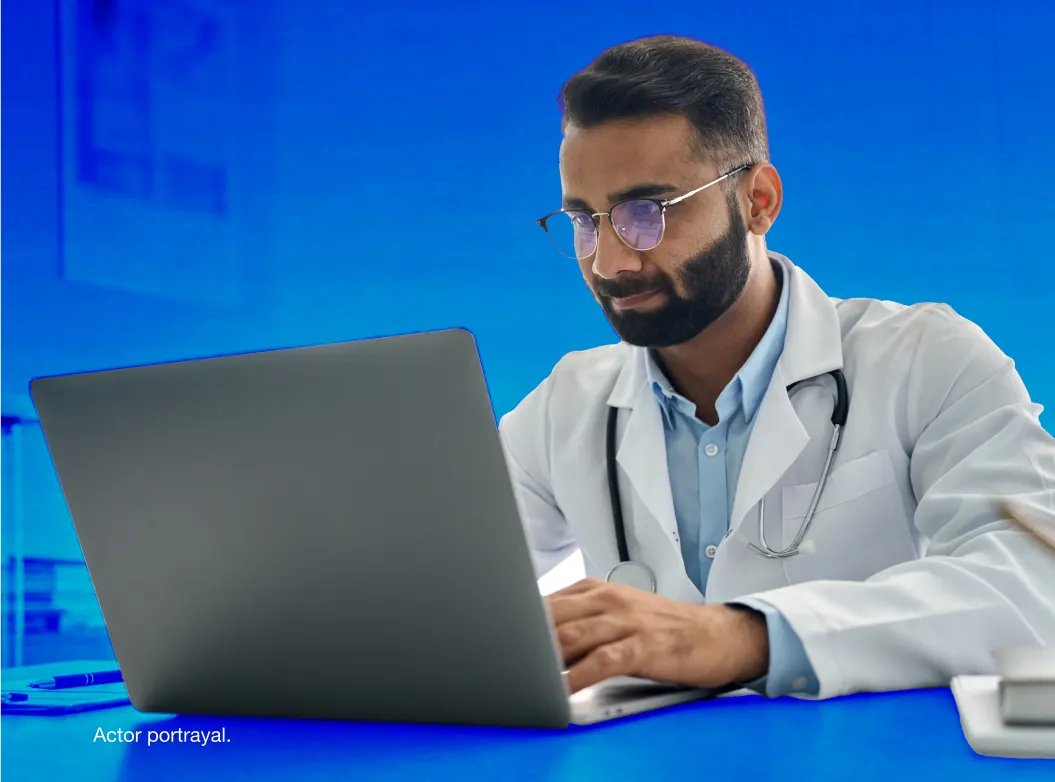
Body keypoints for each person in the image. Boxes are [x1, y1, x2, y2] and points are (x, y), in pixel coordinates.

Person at [497, 35, 1055, 700]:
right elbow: (433, 591)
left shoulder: (927, 360)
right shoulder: (565, 406)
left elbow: (1031, 581)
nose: (611, 262)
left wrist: (740, 637)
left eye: (647, 213)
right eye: (585, 221)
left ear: (757, 200)